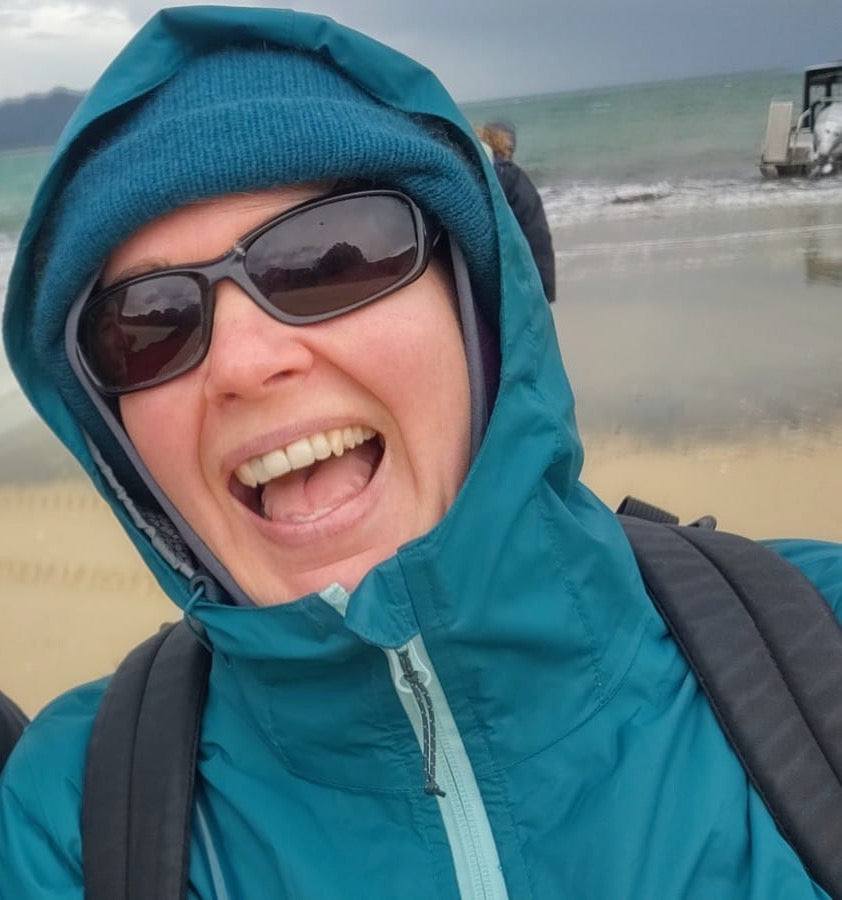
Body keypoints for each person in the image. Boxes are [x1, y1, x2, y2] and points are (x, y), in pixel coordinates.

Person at [0, 6, 840, 897]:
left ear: (477, 310)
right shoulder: (74, 821)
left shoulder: (815, 647)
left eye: (329, 259)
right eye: (149, 325)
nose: (244, 362)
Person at [478, 121, 556, 303]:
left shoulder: (466, 166)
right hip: (509, 275)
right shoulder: (510, 176)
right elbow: (536, 232)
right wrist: (545, 289)